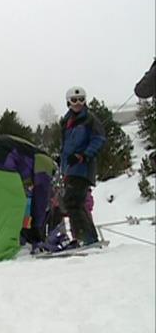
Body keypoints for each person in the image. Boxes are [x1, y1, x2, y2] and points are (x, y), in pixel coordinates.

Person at [0, 135, 56, 260]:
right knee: (13, 203)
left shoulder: (30, 157)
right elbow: (41, 193)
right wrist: (37, 225)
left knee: (2, 206)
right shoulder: (45, 161)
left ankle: (4, 245)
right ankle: (7, 251)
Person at [60, 86, 106, 246]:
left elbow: (99, 139)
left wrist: (84, 155)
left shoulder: (89, 119)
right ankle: (88, 238)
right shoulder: (67, 122)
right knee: (75, 202)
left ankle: (84, 238)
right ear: (68, 102)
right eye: (74, 100)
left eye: (81, 100)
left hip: (83, 167)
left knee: (72, 201)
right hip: (70, 168)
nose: (78, 103)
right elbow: (66, 146)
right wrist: (62, 163)